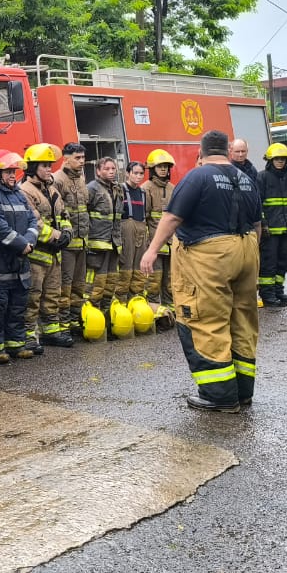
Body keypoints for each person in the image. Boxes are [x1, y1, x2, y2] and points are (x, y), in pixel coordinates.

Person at [140, 130, 262, 413]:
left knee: (206, 320)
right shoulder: (246, 178)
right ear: (228, 151)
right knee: (242, 320)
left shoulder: (198, 176)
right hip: (247, 248)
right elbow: (257, 225)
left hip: (210, 255)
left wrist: (152, 249)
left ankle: (219, 396)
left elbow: (172, 217)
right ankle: (242, 391)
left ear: (202, 151)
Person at [0, 150, 37, 362]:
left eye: (14, 171)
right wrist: (22, 245)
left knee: (17, 305)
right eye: (8, 171)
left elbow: (33, 220)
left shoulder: (19, 195)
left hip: (20, 262)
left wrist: (29, 242)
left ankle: (16, 344)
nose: (13, 175)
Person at [20, 143, 72, 350]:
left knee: (52, 294)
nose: (49, 169)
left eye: (50, 165)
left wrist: (68, 232)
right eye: (44, 165)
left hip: (54, 254)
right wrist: (57, 236)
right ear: (32, 168)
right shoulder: (25, 191)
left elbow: (63, 214)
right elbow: (34, 221)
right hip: (37, 255)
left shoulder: (52, 189)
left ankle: (50, 332)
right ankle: (28, 336)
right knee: (33, 296)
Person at [54, 142, 90, 335]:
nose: (82, 161)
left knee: (79, 286)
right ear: (65, 158)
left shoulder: (81, 178)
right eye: (77, 158)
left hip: (82, 243)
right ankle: (63, 324)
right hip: (67, 245)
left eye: (83, 158)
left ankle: (75, 322)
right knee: (64, 287)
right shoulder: (58, 180)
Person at [257, 143, 287, 307]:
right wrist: (263, 224)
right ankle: (268, 295)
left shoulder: (285, 178)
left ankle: (278, 291)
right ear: (270, 160)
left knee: (283, 262)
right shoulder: (262, 177)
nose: (280, 162)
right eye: (277, 159)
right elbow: (258, 203)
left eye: (283, 159)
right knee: (269, 263)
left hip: (286, 229)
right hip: (271, 231)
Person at [84, 156, 122, 321]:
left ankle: (106, 318)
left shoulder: (117, 189)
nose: (111, 171)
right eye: (106, 169)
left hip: (113, 243)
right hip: (97, 244)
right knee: (95, 283)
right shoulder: (92, 188)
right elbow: (84, 215)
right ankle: (90, 316)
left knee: (110, 281)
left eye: (113, 168)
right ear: (98, 171)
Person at [142, 150, 177, 310]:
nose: (163, 169)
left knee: (171, 280)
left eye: (165, 166)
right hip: (154, 243)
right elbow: (144, 218)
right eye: (159, 166)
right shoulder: (146, 189)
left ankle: (171, 311)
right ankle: (156, 313)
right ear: (152, 169)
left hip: (172, 244)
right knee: (154, 281)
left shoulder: (173, 188)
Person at [113, 162, 149, 304]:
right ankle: (120, 303)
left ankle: (136, 301)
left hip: (141, 232)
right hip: (125, 232)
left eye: (141, 174)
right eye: (135, 173)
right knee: (125, 268)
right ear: (128, 173)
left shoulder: (142, 193)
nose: (139, 176)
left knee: (138, 269)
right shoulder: (120, 189)